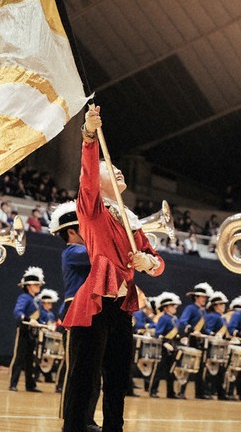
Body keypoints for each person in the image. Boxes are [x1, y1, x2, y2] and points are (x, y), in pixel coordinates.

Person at [62, 106, 164, 432]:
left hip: (121, 307)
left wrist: (149, 263)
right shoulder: (93, 210)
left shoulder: (131, 223)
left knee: (118, 379)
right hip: (94, 303)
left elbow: (157, 262)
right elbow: (88, 176)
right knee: (85, 377)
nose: (119, 172)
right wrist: (90, 137)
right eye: (112, 168)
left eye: (120, 169)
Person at [50, 201, 101, 430]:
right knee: (76, 370)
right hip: (75, 310)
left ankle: (87, 419)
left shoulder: (83, 250)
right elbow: (99, 255)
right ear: (71, 231)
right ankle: (71, 421)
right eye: (83, 228)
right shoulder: (72, 251)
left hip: (93, 309)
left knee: (93, 372)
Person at [9, 267, 45, 393]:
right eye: (36, 284)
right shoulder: (24, 297)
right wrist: (30, 321)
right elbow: (17, 312)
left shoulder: (35, 301)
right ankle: (13, 384)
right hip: (24, 331)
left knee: (30, 360)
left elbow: (38, 317)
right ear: (29, 286)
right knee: (19, 358)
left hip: (32, 333)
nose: (38, 286)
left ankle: (30, 385)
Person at [179, 281, 214, 399]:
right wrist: (192, 330)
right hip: (191, 340)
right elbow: (183, 321)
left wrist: (211, 333)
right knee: (187, 367)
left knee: (200, 368)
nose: (205, 299)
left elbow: (204, 329)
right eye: (203, 297)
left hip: (200, 342)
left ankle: (199, 393)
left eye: (205, 297)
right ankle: (181, 392)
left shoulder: (203, 311)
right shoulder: (191, 308)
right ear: (197, 297)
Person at [148, 292, 181, 399]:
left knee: (171, 371)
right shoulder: (163, 318)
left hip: (173, 347)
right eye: (172, 306)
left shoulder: (175, 318)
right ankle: (153, 391)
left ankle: (170, 392)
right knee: (159, 370)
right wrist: (165, 343)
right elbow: (158, 333)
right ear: (166, 308)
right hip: (164, 347)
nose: (175, 307)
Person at [204, 291, 231, 400]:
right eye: (222, 304)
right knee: (211, 370)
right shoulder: (212, 316)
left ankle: (220, 393)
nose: (224, 306)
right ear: (216, 306)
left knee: (221, 371)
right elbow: (208, 329)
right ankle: (208, 391)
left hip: (221, 346)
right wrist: (215, 334)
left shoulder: (222, 317)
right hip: (213, 346)